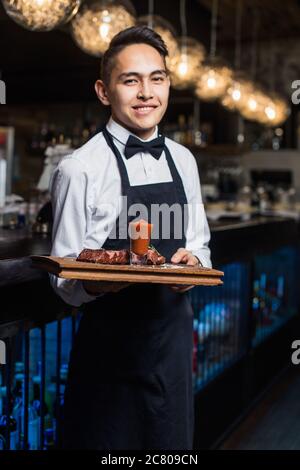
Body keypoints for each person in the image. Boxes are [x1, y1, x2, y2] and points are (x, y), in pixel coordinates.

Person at [49, 25, 211, 450]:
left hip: (173, 344)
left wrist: (192, 264)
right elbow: (62, 277)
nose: (146, 93)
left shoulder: (185, 161)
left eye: (156, 78)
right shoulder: (78, 168)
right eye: (130, 80)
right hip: (111, 351)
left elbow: (200, 243)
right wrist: (99, 281)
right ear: (104, 91)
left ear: (168, 85)